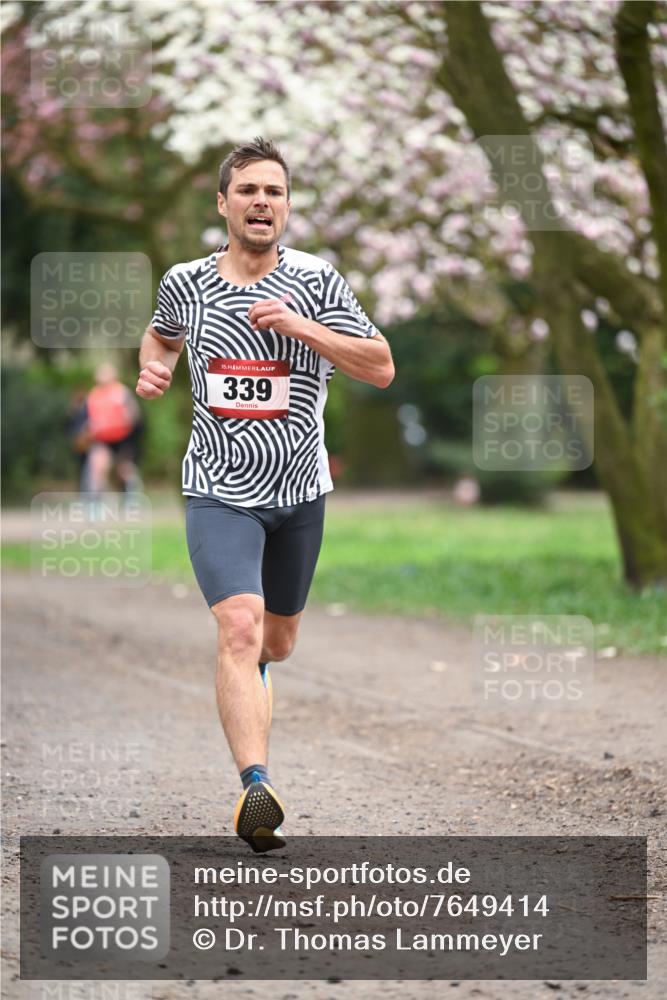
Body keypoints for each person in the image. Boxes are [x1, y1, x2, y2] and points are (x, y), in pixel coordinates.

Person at [136, 137, 394, 853]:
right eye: (248, 190)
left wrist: (299, 327)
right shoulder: (186, 283)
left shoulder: (316, 281)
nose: (261, 201)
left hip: (299, 491)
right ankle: (256, 786)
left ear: (286, 207)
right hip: (219, 489)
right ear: (222, 204)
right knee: (239, 628)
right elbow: (159, 339)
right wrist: (154, 370)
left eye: (273, 191)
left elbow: (380, 367)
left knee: (275, 641)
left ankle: (254, 694)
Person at [87, 363, 143, 500]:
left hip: (124, 438)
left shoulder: (122, 392)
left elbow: (135, 415)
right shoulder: (94, 394)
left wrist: (127, 419)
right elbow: (89, 417)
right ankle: (96, 503)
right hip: (103, 439)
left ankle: (132, 499)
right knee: (98, 466)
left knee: (125, 470)